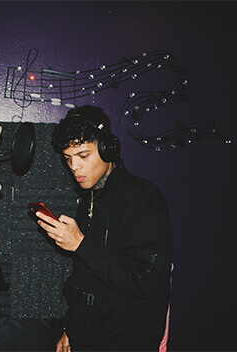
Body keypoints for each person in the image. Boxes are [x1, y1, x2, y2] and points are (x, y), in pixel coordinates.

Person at [35, 105, 172, 351]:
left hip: (125, 342)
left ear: (108, 149)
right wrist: (71, 329)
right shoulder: (90, 197)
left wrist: (80, 244)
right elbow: (86, 275)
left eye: (83, 156)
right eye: (68, 158)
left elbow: (142, 280)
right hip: (87, 336)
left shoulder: (143, 199)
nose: (74, 167)